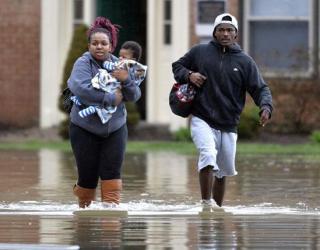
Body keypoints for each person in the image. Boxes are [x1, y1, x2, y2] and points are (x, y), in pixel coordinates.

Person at [172, 13, 273, 207]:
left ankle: (217, 210)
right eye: (221, 30)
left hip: (229, 123)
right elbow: (177, 66)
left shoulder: (245, 61)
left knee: (223, 171)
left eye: (230, 30)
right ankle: (205, 204)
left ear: (236, 35)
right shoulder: (200, 52)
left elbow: (260, 88)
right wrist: (189, 75)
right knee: (208, 156)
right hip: (202, 117)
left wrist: (266, 106)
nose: (225, 33)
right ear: (215, 33)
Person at [68, 16, 141, 208]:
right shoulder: (82, 64)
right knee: (88, 176)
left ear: (111, 46)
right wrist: (109, 98)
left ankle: (111, 218)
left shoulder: (121, 65)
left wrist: (126, 80)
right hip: (83, 127)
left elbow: (134, 95)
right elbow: (80, 87)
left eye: (103, 43)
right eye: (94, 43)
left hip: (115, 128)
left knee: (112, 171)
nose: (99, 47)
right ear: (89, 45)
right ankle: (84, 215)